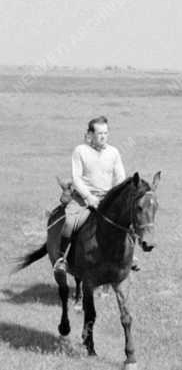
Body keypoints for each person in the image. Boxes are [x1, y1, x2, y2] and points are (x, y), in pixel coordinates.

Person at [50, 116, 127, 274]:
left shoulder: (114, 152)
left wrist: (114, 196)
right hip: (82, 199)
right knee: (70, 223)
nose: (103, 136)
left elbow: (120, 178)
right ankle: (61, 260)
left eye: (106, 132)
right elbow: (76, 178)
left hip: (107, 198)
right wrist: (88, 197)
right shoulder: (81, 151)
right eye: (99, 133)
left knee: (127, 219)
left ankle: (128, 257)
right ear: (90, 134)